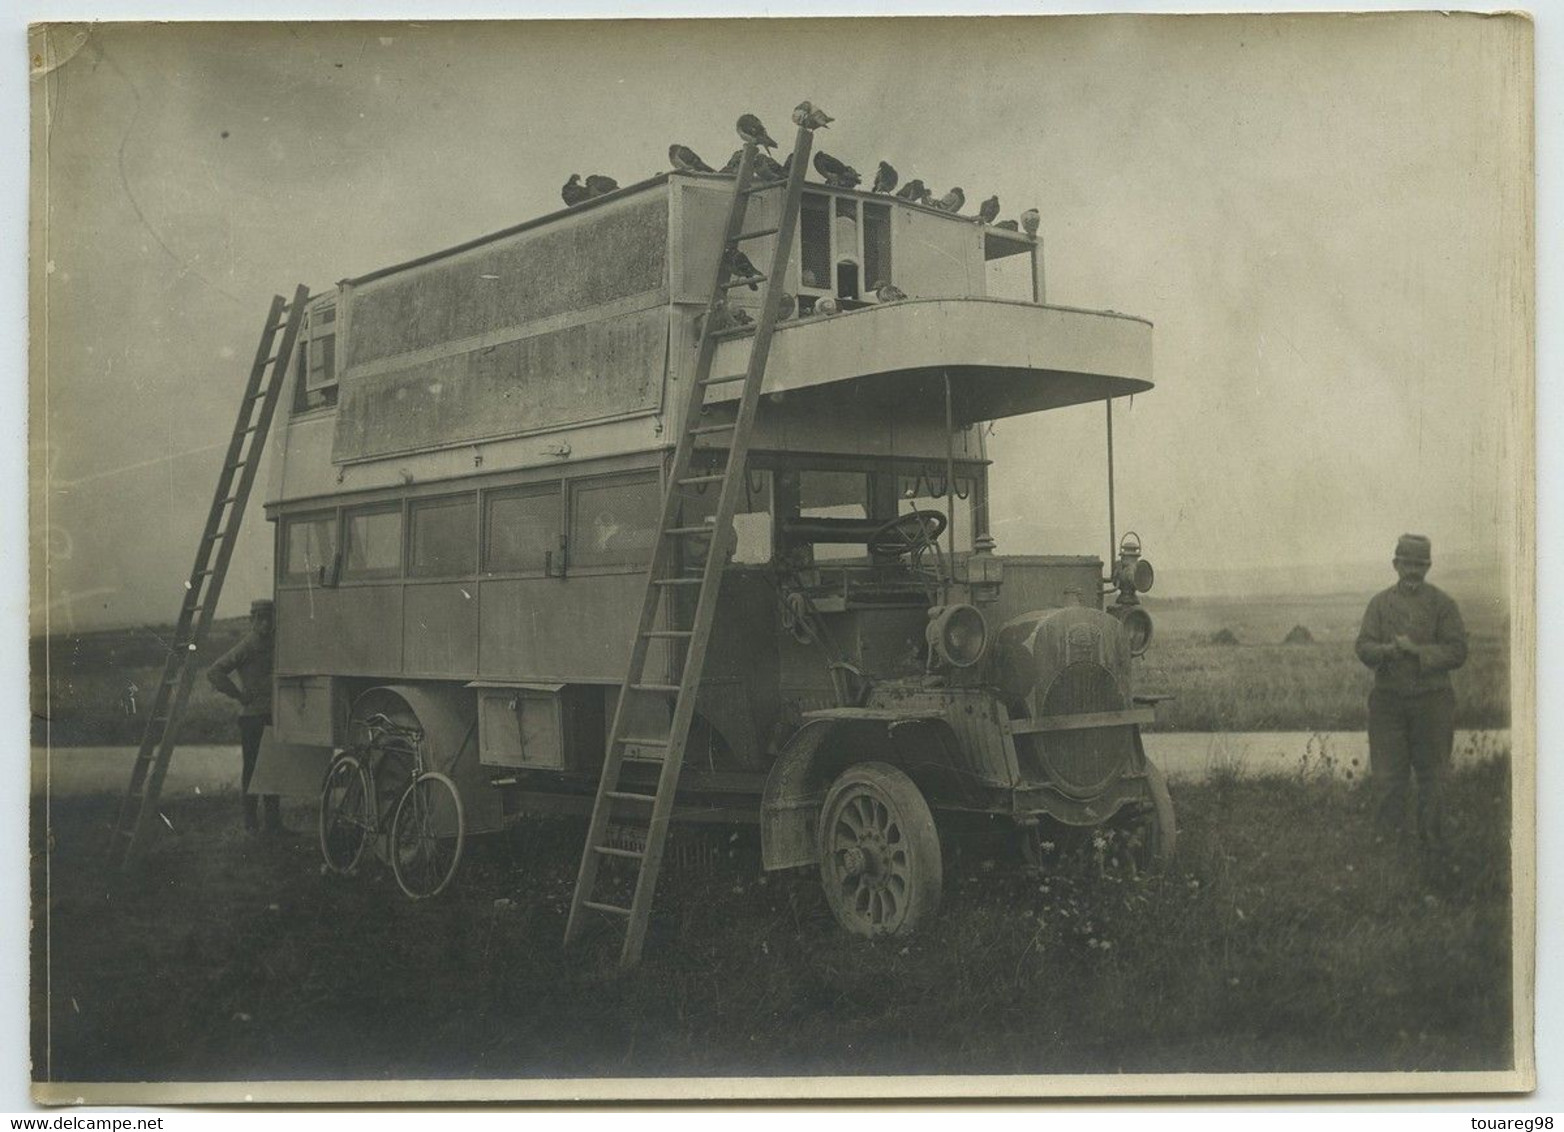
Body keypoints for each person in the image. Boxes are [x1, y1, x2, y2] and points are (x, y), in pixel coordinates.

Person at [1354, 534, 1468, 845]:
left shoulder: (1443, 604)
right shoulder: (1379, 604)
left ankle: (1431, 847)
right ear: (1396, 564)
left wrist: (1417, 651)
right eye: (1407, 563)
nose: (1413, 571)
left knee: (1434, 778)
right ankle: (1389, 850)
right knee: (1388, 778)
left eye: (1420, 564)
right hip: (1388, 704)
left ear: (1429, 566)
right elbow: (1363, 646)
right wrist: (1388, 651)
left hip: (1433, 704)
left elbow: (1458, 651)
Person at [207, 598, 283, 834]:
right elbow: (215, 671)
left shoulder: (277, 644)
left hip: (273, 716)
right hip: (252, 718)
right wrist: (239, 695)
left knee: (271, 769)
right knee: (252, 770)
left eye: (268, 618)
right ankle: (251, 824)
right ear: (252, 620)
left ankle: (273, 824)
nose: (264, 623)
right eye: (259, 618)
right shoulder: (247, 646)